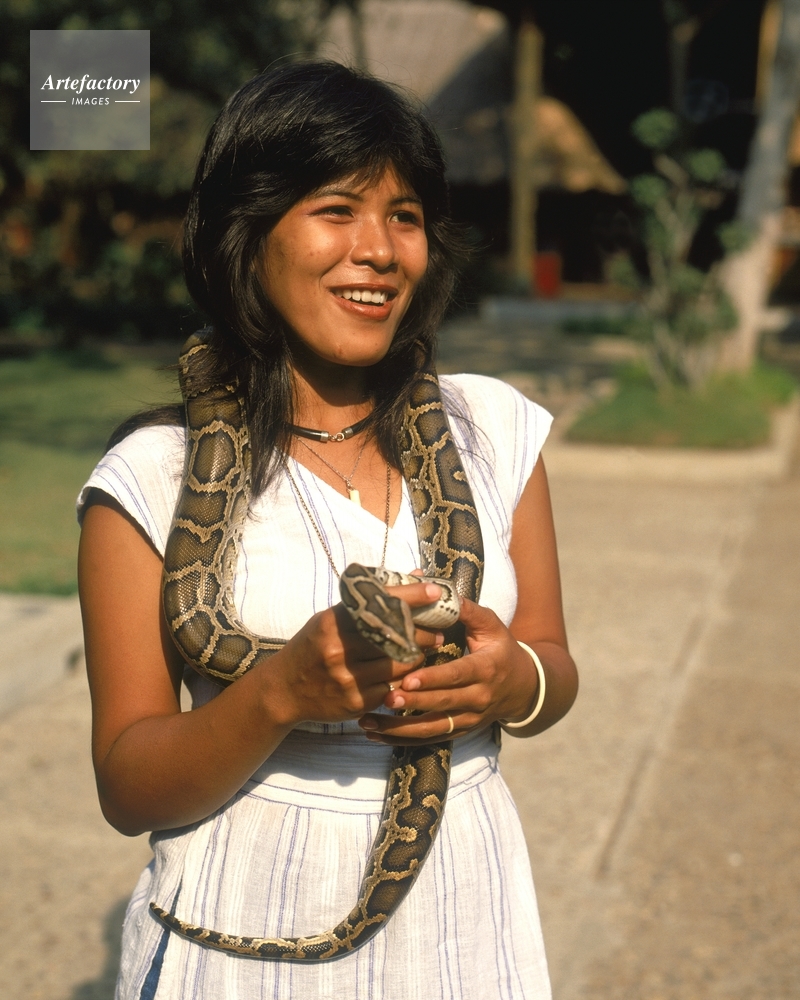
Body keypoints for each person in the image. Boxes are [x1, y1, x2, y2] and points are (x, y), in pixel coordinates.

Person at [77, 61, 578, 1000]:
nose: (379, 249)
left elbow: (552, 665)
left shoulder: (490, 427)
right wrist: (279, 694)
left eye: (405, 216)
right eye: (336, 210)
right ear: (249, 232)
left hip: (464, 914)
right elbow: (128, 786)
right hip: (240, 923)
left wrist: (515, 679)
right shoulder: (152, 477)